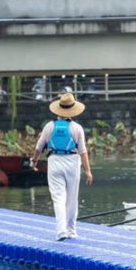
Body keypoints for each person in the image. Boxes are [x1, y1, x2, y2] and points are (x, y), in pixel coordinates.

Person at [31, 93, 93, 241]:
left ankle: (61, 232)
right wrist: (88, 171)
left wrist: (34, 161)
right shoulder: (77, 128)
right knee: (72, 198)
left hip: (54, 162)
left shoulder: (49, 126)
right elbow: (83, 151)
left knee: (58, 198)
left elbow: (39, 147)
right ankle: (71, 231)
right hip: (72, 162)